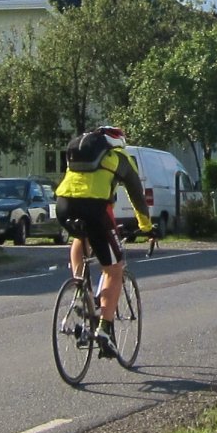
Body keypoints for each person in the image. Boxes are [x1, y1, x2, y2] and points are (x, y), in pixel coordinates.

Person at [55, 126, 152, 358]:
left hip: (63, 206)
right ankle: (105, 330)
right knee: (114, 270)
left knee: (80, 237)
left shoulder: (78, 157)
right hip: (95, 209)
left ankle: (82, 290)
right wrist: (146, 226)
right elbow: (136, 193)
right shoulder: (119, 158)